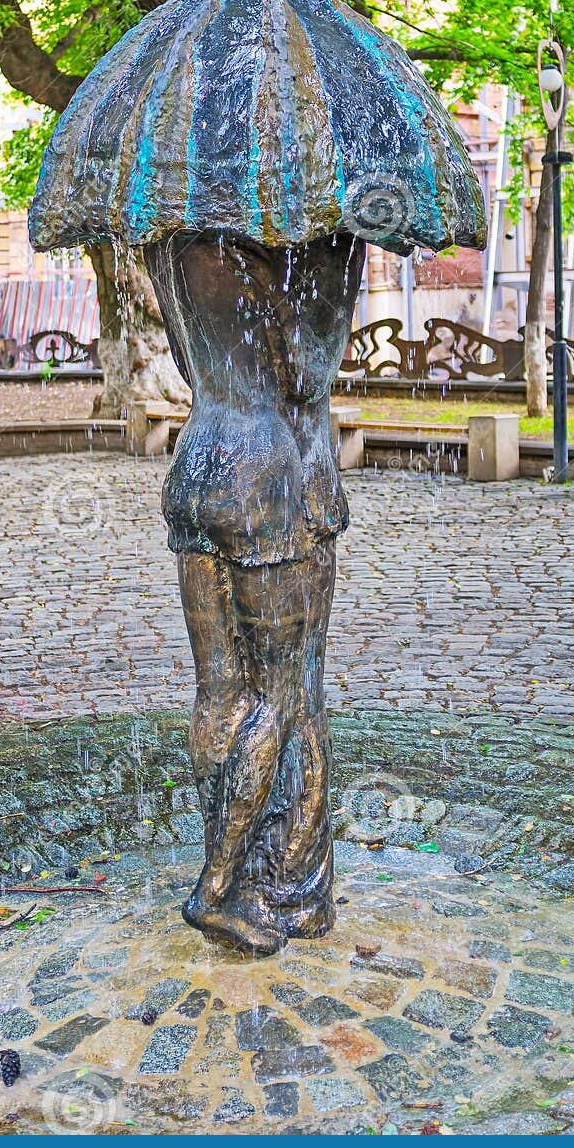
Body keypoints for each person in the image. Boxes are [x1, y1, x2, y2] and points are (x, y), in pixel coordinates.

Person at [144, 228, 364, 955]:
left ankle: (231, 873)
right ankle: (231, 888)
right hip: (267, 473)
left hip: (201, 457)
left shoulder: (169, 237)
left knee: (218, 691)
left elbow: (191, 358)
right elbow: (304, 372)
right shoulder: (310, 240)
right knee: (281, 693)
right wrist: (342, 262)